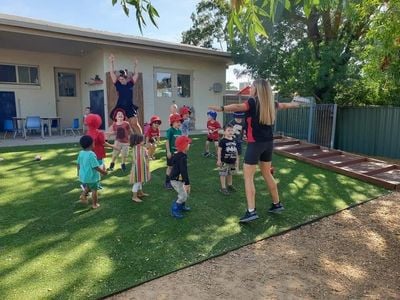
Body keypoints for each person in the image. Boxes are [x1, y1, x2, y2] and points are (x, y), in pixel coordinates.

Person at [208, 79, 301, 223]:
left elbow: (238, 106)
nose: (250, 88)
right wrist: (295, 104)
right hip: (268, 144)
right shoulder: (270, 103)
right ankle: (277, 204)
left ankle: (251, 211)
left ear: (256, 89)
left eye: (251, 86)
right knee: (267, 174)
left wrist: (221, 108)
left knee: (248, 178)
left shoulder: (252, 102)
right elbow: (284, 105)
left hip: (255, 144)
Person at [108, 53, 142, 134]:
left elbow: (136, 74)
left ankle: (140, 139)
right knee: (116, 124)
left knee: (134, 124)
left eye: (122, 79)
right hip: (120, 106)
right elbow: (112, 73)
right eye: (119, 79)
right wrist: (111, 62)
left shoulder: (130, 83)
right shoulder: (117, 84)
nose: (120, 80)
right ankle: (106, 138)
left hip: (129, 106)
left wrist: (136, 65)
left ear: (126, 79)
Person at [77, 135, 108, 209]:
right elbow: (95, 167)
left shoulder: (81, 153)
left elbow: (78, 164)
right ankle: (94, 204)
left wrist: (78, 172)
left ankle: (83, 195)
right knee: (94, 190)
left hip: (84, 176)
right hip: (92, 176)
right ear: (91, 144)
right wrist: (103, 172)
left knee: (88, 186)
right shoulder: (91, 154)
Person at [170, 135, 192, 219]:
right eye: (188, 143)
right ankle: (174, 210)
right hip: (176, 180)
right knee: (183, 195)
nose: (189, 145)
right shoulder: (182, 157)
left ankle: (182, 206)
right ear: (184, 146)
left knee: (184, 194)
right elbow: (183, 171)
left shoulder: (179, 155)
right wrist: (187, 183)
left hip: (178, 179)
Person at [129, 133, 151, 203]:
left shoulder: (135, 148)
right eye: (142, 140)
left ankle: (140, 193)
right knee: (137, 182)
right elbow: (146, 156)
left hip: (138, 167)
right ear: (138, 141)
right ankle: (134, 197)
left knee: (140, 181)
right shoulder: (141, 148)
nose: (144, 141)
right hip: (139, 168)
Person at [217, 124, 238, 195]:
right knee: (223, 174)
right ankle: (223, 188)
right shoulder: (222, 141)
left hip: (232, 161)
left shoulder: (234, 140)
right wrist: (219, 160)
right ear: (224, 132)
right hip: (224, 161)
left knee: (230, 173)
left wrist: (237, 160)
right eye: (228, 130)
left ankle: (229, 185)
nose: (230, 132)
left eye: (232, 130)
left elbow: (236, 151)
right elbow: (219, 150)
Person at [165, 113, 183, 189]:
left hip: (177, 153)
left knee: (176, 167)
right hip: (171, 153)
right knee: (170, 167)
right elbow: (167, 141)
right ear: (172, 122)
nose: (179, 123)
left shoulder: (179, 131)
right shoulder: (170, 131)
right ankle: (167, 182)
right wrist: (168, 151)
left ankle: (174, 181)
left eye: (180, 122)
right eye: (177, 122)